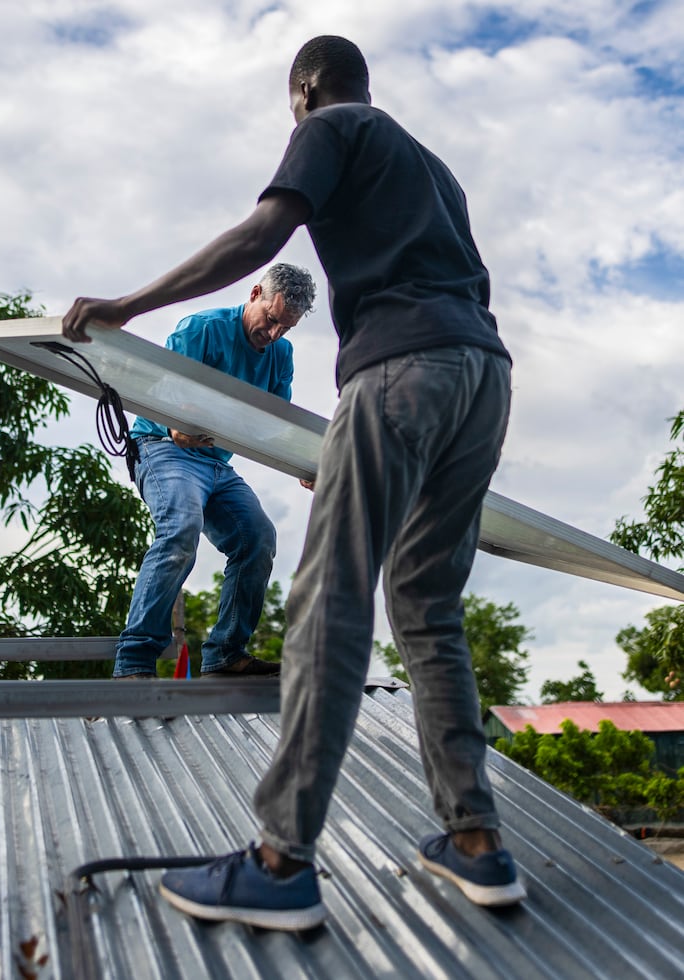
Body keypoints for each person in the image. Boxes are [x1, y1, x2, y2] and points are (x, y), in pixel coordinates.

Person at [63, 35, 524, 928]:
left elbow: (261, 234)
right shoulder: (433, 168)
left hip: (400, 366)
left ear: (303, 90)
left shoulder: (334, 126)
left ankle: (280, 861)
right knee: (428, 605)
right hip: (484, 378)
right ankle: (477, 843)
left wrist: (126, 305)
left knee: (329, 598)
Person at [113, 263, 316, 680]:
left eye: (286, 327)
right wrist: (175, 423)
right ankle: (134, 661)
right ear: (256, 293)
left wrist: (306, 464)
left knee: (258, 537)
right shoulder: (201, 329)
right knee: (182, 526)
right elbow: (163, 388)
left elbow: (276, 424)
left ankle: (226, 654)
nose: (274, 334)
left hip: (215, 463)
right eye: (272, 320)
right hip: (163, 448)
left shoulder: (281, 355)